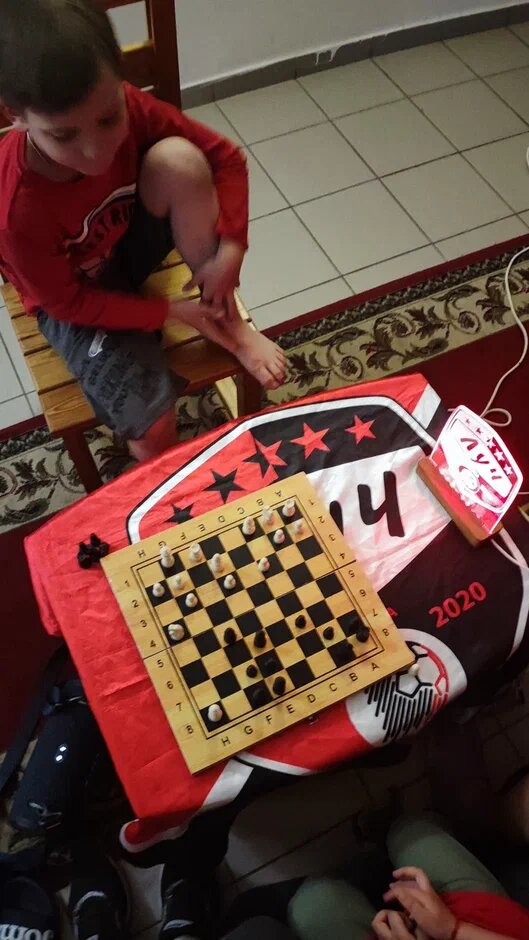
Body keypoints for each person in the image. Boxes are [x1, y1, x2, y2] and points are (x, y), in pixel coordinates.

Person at [0, 0, 285, 462]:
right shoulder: (14, 211)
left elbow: (225, 158)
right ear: (15, 114)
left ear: (120, 76)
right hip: (73, 301)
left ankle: (225, 322)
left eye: (108, 118)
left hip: (125, 242)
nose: (95, 151)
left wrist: (231, 249)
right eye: (64, 135)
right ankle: (160, 482)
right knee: (153, 428)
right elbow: (67, 303)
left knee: (180, 161)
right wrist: (168, 311)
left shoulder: (132, 102)